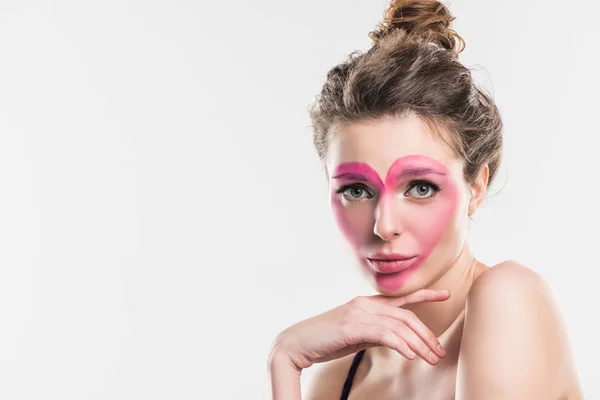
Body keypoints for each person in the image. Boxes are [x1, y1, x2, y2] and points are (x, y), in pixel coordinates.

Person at [267, 0, 584, 398]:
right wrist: (285, 357)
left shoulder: (509, 298)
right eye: (357, 190)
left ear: (476, 186)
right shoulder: (339, 373)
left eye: (420, 187)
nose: (384, 226)